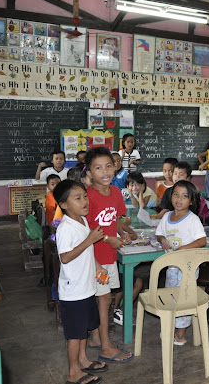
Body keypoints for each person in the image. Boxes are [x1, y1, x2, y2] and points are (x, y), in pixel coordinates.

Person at [53, 180, 109, 384]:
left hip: (87, 287)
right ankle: (73, 372)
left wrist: (98, 266)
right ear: (64, 204)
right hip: (73, 291)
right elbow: (65, 257)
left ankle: (83, 360)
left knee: (84, 328)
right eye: (77, 198)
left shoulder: (83, 221)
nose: (84, 201)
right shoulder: (65, 228)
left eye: (85, 196)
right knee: (75, 334)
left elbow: (88, 251)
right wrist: (89, 240)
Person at [83, 147, 133, 364]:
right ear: (89, 172)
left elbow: (115, 220)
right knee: (104, 299)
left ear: (115, 167)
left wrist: (123, 233)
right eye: (98, 168)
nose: (105, 171)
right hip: (95, 258)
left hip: (110, 255)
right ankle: (106, 347)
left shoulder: (115, 192)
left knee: (103, 298)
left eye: (108, 166)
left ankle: (96, 337)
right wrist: (107, 238)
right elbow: (85, 228)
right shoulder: (87, 196)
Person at [155, 180, 207, 345]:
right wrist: (162, 239)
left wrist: (183, 249)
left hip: (187, 267)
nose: (179, 199)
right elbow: (159, 233)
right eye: (176, 194)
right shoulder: (167, 217)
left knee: (183, 299)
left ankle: (180, 334)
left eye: (185, 196)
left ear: (191, 201)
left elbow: (202, 240)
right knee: (172, 298)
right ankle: (172, 327)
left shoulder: (192, 220)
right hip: (172, 267)